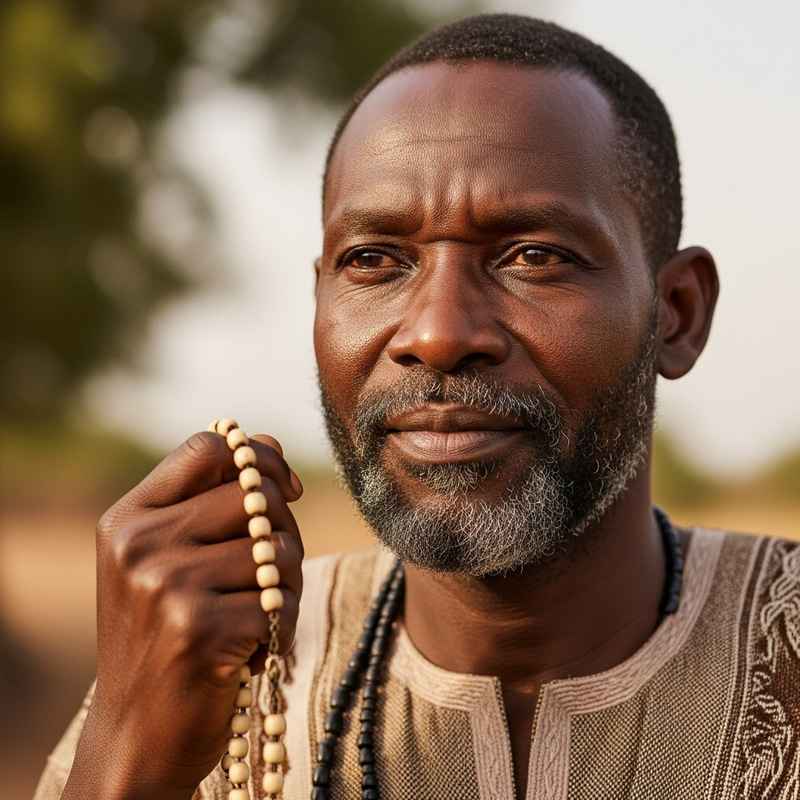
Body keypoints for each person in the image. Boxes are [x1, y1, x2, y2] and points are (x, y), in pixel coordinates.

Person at [35, 12, 800, 800]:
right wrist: (128, 757)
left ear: (675, 313)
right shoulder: (208, 683)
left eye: (534, 256)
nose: (437, 333)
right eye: (373, 261)